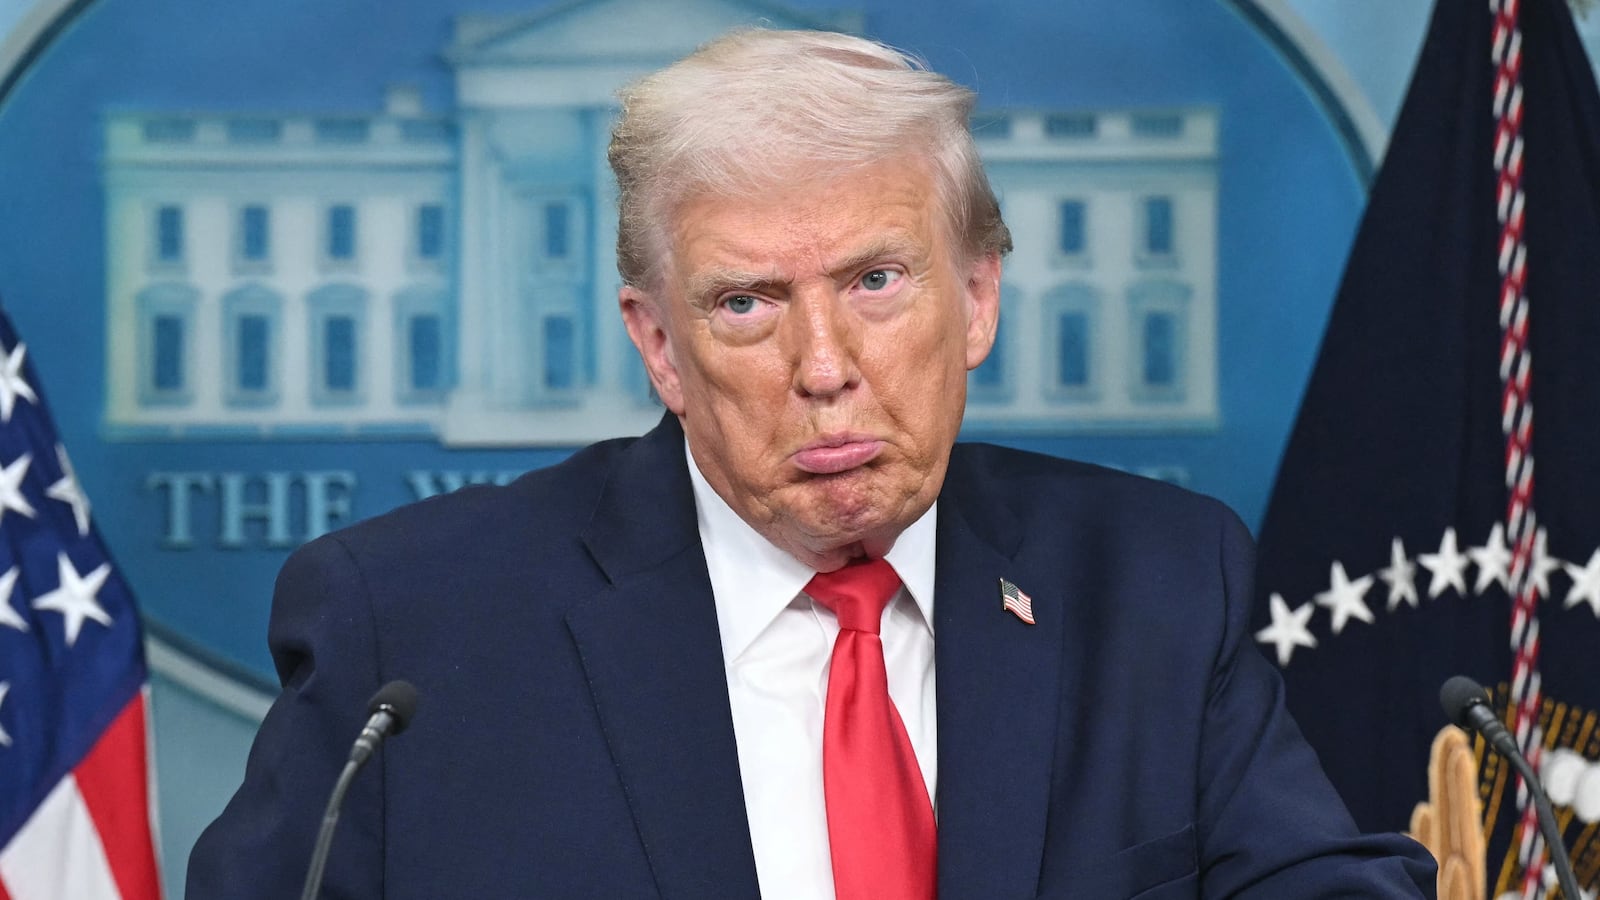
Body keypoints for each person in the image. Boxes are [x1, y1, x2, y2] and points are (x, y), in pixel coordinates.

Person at [188, 28, 1437, 899]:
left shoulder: (1158, 582)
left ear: (979, 296)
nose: (824, 363)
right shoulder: (409, 627)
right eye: (745, 303)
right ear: (659, 347)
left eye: (876, 282)